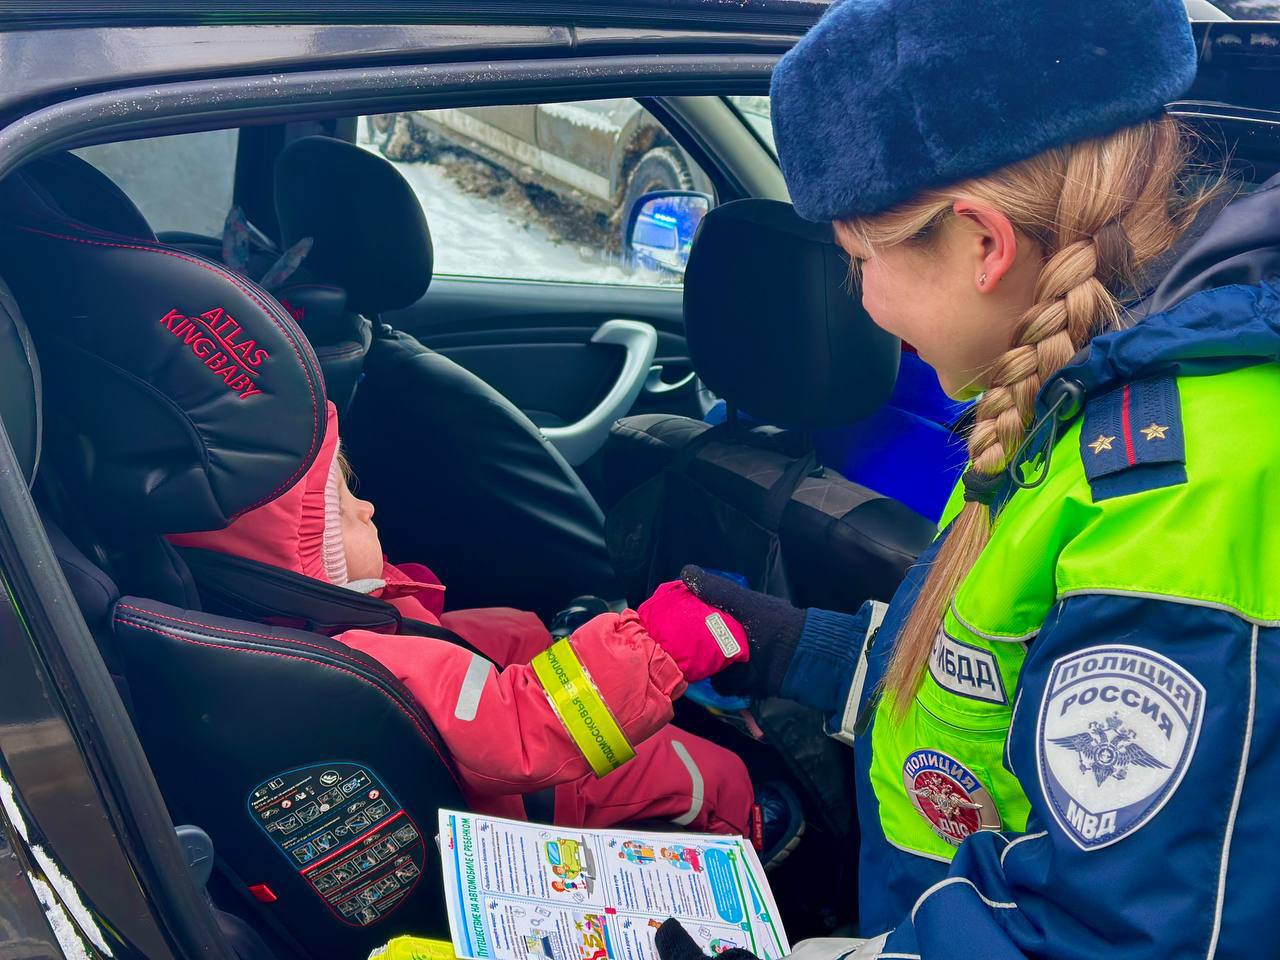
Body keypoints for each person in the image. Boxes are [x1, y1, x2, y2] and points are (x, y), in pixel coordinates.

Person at [653, 0, 1279, 956]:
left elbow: (1101, 938)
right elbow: (996, 691)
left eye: (858, 261)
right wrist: (794, 648)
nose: (862, 300)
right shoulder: (1062, 400)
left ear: (984, 244)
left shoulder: (1187, 491)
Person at [168, 400, 805, 863]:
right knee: (708, 769)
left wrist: (555, 640)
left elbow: (456, 649)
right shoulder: (361, 657)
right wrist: (661, 642)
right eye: (346, 505)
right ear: (306, 557)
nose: (368, 507)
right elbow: (519, 728)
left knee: (501, 630)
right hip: (549, 795)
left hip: (518, 739)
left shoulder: (304, 619)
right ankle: (746, 831)